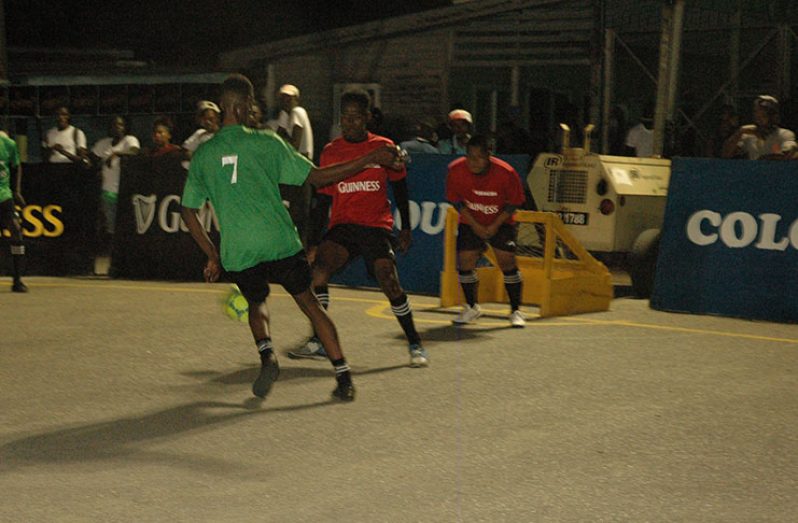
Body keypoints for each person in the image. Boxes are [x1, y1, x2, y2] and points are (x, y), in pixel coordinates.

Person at [180, 74, 401, 402]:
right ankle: (343, 376)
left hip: (238, 248)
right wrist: (369, 159)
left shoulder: (203, 155)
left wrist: (212, 254)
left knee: (256, 302)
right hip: (279, 241)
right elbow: (317, 177)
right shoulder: (268, 142)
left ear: (224, 107)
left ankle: (267, 355)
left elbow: (188, 212)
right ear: (243, 107)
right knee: (310, 304)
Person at [289, 88, 428, 368]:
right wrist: (314, 242)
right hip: (343, 227)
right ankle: (318, 341)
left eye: (356, 117)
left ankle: (415, 343)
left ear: (367, 117)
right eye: (345, 117)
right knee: (318, 272)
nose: (350, 122)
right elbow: (323, 199)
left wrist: (406, 227)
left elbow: (400, 187)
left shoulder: (384, 148)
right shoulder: (331, 151)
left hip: (375, 226)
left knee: (389, 280)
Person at [445, 134, 527, 328]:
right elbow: (456, 201)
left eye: (478, 157)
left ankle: (516, 310)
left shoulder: (506, 173)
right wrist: (475, 225)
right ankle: (472, 307)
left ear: (489, 155)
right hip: (471, 221)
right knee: (465, 260)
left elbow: (514, 203)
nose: (473, 162)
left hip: (501, 221)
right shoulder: (455, 170)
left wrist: (494, 226)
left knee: (506, 260)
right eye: (469, 157)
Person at [91, 116, 140, 242]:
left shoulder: (129, 140)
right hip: (108, 190)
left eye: (120, 124)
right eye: (114, 124)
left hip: (125, 190)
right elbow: (92, 158)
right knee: (111, 225)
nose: (117, 127)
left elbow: (135, 152)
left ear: (124, 127)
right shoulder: (104, 143)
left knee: (126, 222)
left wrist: (117, 153)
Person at [722, 95, 797, 160]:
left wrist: (765, 159)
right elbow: (725, 154)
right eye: (757, 115)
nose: (760, 120)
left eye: (764, 116)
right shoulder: (749, 135)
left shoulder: (784, 134)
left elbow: (789, 153)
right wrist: (740, 132)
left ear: (774, 116)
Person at [0, 131, 28, 292]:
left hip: (4, 196)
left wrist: (16, 191)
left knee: (16, 231)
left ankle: (17, 281)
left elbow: (17, 166)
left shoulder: (8, 144)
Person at [181, 101, 221, 169]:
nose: (208, 122)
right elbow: (186, 152)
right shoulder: (199, 133)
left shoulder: (224, 134)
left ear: (217, 118)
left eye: (211, 119)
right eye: (205, 119)